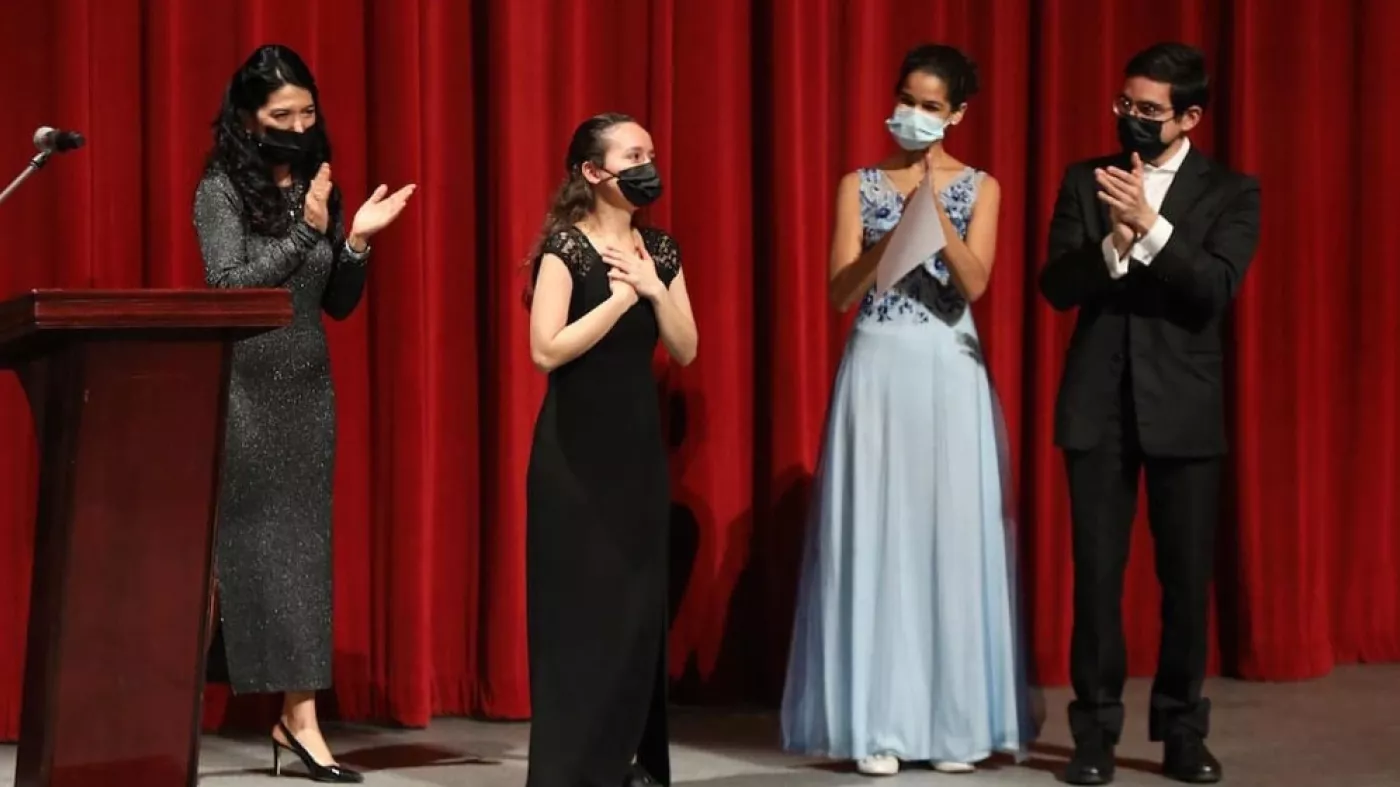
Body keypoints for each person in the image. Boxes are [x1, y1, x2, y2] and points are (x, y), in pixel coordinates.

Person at [780, 43, 1037, 776]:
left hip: (948, 369)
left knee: (949, 536)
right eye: (907, 101)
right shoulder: (857, 184)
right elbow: (837, 290)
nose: (913, 117)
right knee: (877, 537)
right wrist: (891, 233)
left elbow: (976, 282)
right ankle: (879, 724)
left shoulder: (980, 186)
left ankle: (955, 724)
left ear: (956, 114)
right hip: (878, 364)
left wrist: (933, 212)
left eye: (931, 107)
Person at [1038, 42, 1260, 785]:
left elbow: (1213, 289)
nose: (1131, 120)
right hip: (1097, 406)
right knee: (1097, 578)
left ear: (1189, 116)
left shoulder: (1231, 191)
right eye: (1124, 105)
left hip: (1185, 411)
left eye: (1149, 111)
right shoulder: (1083, 179)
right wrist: (1112, 241)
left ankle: (1181, 730)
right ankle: (1095, 733)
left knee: (1184, 578)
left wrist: (1155, 231)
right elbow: (1056, 285)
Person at [193, 44, 415, 783]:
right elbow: (229, 288)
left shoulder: (323, 185)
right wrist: (304, 231)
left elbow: (337, 305)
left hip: (308, 389)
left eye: (306, 112)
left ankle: (301, 720)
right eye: (280, 115)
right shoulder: (221, 188)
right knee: (243, 556)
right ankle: (164, 711)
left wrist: (352, 241)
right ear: (249, 120)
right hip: (245, 389)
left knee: (305, 556)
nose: (297, 124)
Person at [523, 112, 698, 787]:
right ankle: (573, 771)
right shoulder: (565, 248)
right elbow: (546, 348)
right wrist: (621, 300)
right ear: (595, 172)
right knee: (579, 614)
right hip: (572, 458)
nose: (647, 162)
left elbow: (686, 346)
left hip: (636, 457)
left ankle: (628, 761)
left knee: (633, 615)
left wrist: (654, 288)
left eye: (650, 150)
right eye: (633, 153)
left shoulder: (662, 250)